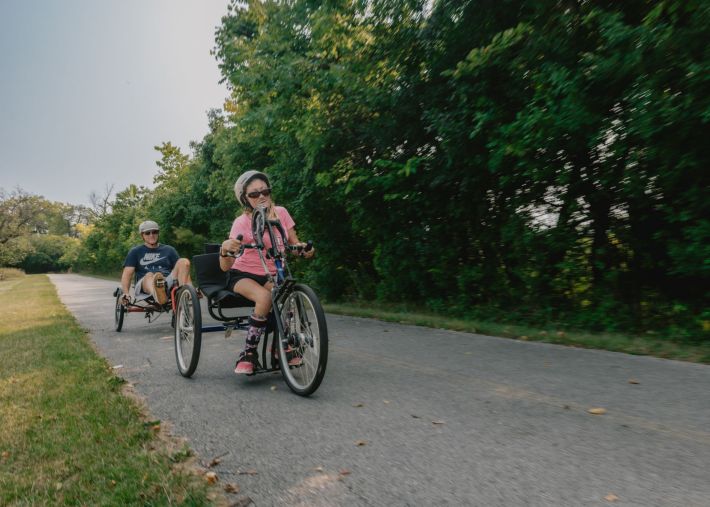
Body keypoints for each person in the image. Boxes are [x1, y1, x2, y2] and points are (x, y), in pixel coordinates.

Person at [219, 170, 315, 375]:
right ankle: (248, 353)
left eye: (265, 191)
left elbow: (294, 242)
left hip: (272, 274)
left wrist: (304, 249)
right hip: (243, 274)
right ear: (245, 199)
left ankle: (280, 348)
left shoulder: (282, 213)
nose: (261, 196)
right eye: (254, 194)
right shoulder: (241, 222)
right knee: (265, 297)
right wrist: (225, 248)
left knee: (284, 295)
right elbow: (225, 266)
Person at [120, 220, 192, 305]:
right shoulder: (135, 251)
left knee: (184, 262)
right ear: (142, 235)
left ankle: (185, 293)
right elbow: (127, 274)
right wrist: (126, 293)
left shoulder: (169, 250)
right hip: (145, 283)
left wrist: (192, 289)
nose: (152, 235)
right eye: (147, 233)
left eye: (154, 232)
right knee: (149, 275)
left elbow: (184, 271)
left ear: (158, 233)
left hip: (166, 281)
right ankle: (158, 293)